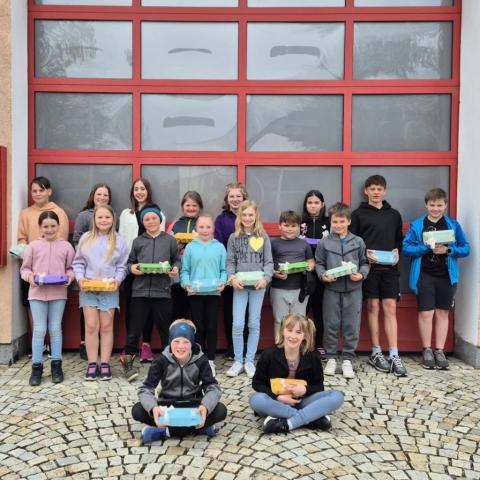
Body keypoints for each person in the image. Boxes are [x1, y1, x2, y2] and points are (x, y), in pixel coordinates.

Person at [403, 188, 470, 370]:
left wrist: (449, 250)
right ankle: (426, 350)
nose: (435, 208)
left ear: (445, 205)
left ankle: (439, 350)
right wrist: (426, 248)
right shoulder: (418, 225)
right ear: (426, 205)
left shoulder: (453, 225)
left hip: (447, 276)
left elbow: (466, 248)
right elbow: (406, 248)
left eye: (439, 205)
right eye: (432, 205)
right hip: (424, 274)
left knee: (442, 313)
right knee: (426, 313)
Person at [132, 319, 227, 443]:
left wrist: (205, 406)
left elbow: (212, 387)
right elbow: (145, 389)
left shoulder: (201, 360)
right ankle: (198, 428)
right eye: (176, 341)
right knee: (138, 410)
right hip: (168, 406)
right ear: (170, 342)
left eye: (186, 342)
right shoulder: (161, 361)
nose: (181, 347)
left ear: (192, 343)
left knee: (220, 410)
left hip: (193, 406)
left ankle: (165, 431)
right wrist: (153, 407)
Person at [350, 175, 407, 377]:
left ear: (385, 191)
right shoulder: (358, 214)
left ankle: (394, 354)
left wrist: (397, 250)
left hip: (389, 269)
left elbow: (398, 240)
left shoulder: (394, 214)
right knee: (373, 307)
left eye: (379, 189)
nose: (376, 192)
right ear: (366, 191)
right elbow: (353, 241)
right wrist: (364, 254)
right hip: (369, 269)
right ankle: (376, 352)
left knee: (390, 308)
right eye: (372, 189)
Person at [250, 313, 344, 434]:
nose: (293, 336)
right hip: (277, 402)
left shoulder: (312, 357)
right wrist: (278, 397)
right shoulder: (268, 354)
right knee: (256, 399)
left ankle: (288, 423)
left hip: (303, 401)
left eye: (298, 332)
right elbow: (257, 383)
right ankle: (312, 418)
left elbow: (319, 386)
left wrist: (304, 390)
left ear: (304, 335)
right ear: (282, 331)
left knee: (337, 396)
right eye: (289, 330)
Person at [120, 204, 180, 382]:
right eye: (147, 219)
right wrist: (133, 268)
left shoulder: (170, 240)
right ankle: (128, 363)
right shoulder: (138, 241)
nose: (151, 221)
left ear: (159, 220)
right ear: (143, 222)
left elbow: (176, 260)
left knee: (165, 330)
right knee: (134, 331)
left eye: (154, 218)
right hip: (140, 292)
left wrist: (175, 268)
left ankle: (170, 364)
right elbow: (129, 263)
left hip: (162, 292)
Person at [72, 205, 129, 381]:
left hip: (109, 289)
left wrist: (117, 280)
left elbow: (122, 266)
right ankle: (92, 362)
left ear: (113, 219)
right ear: (94, 220)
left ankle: (104, 363)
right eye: (100, 217)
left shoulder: (119, 241)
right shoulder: (86, 238)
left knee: (106, 326)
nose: (104, 220)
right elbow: (78, 263)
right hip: (89, 288)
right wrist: (80, 279)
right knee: (91, 326)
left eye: (107, 217)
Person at [315, 202, 370, 379]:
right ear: (330, 222)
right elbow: (319, 263)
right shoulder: (324, 242)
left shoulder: (358, 241)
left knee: (351, 325)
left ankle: (347, 359)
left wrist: (361, 275)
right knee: (330, 324)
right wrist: (323, 275)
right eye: (335, 222)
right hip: (331, 290)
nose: (338, 225)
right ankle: (331, 358)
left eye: (342, 221)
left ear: (349, 221)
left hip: (353, 290)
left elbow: (365, 263)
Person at [20, 211, 75, 386]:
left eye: (53, 226)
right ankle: (36, 367)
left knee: (55, 328)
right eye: (46, 226)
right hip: (37, 294)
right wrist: (30, 277)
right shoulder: (33, 246)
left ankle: (56, 366)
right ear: (40, 227)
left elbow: (71, 268)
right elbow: (25, 269)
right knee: (39, 329)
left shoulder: (66, 246)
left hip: (58, 293)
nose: (49, 229)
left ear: (58, 226)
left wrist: (70, 277)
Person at [17, 176, 69, 356]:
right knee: (34, 313)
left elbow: (61, 240)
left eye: (41, 190)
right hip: (33, 269)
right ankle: (39, 348)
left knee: (55, 321)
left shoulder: (58, 212)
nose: (38, 193)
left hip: (55, 274)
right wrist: (27, 251)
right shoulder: (25, 213)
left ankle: (54, 350)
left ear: (49, 191)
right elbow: (21, 238)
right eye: (34, 191)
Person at [119, 178, 166, 363]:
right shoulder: (126, 214)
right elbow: (122, 238)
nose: (139, 192)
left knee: (150, 308)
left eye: (143, 189)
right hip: (132, 266)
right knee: (132, 308)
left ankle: (146, 345)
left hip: (152, 266)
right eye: (136, 189)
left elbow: (161, 239)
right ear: (133, 192)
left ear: (148, 191)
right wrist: (127, 265)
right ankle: (130, 347)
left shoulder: (158, 212)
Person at [226, 200, 273, 378]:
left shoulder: (263, 236)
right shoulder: (233, 238)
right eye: (244, 215)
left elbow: (268, 262)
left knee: (253, 323)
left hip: (257, 286)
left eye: (250, 215)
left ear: (256, 216)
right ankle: (238, 360)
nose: (247, 218)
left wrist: (265, 279)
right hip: (239, 286)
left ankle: (249, 361)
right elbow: (230, 262)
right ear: (239, 216)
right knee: (238, 324)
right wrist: (231, 278)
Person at [180, 214, 227, 377]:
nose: (205, 230)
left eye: (208, 227)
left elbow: (224, 270)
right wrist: (186, 284)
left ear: (213, 228)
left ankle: (211, 360)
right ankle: (199, 359)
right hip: (195, 293)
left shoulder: (219, 247)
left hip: (213, 293)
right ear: (196, 228)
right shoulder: (190, 248)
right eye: (201, 227)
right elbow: (185, 270)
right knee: (198, 326)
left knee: (212, 326)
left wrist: (223, 282)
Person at [73, 183, 112, 360]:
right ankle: (86, 346)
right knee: (89, 320)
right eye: (99, 194)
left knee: (105, 322)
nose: (102, 197)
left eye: (105, 195)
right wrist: (88, 259)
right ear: (93, 196)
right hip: (88, 276)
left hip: (107, 281)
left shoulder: (111, 217)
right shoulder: (84, 217)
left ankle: (103, 356)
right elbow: (77, 242)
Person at [214, 182, 249, 359]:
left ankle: (246, 346)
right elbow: (220, 244)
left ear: (244, 198)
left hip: (248, 271)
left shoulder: (250, 216)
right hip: (230, 270)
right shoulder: (221, 219)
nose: (235, 199)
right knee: (230, 310)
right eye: (231, 196)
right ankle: (232, 347)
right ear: (227, 199)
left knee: (247, 311)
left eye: (238, 196)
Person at [271, 210, 315, 336]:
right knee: (280, 321)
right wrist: (274, 273)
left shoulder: (303, 243)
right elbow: (267, 264)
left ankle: (297, 348)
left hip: (300, 289)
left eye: (293, 226)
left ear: (299, 227)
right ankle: (280, 347)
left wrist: (309, 267)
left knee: (299, 322)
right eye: (286, 225)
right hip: (278, 288)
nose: (290, 229)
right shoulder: (273, 243)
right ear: (279, 226)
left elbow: (311, 261)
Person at [300, 190, 330, 358]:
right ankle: (302, 343)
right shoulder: (300, 223)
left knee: (320, 310)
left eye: (316, 202)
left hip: (321, 273)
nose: (313, 206)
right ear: (305, 205)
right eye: (310, 202)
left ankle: (319, 344)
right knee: (303, 309)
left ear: (322, 204)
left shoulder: (328, 223)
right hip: (303, 273)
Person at [167, 191, 203, 321]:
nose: (191, 208)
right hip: (179, 271)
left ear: (200, 207)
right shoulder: (175, 224)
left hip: (197, 270)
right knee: (178, 304)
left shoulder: (203, 224)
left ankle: (196, 333)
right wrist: (177, 246)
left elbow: (210, 245)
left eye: (194, 205)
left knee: (196, 308)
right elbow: (167, 247)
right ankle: (178, 332)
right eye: (188, 205)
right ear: (183, 206)